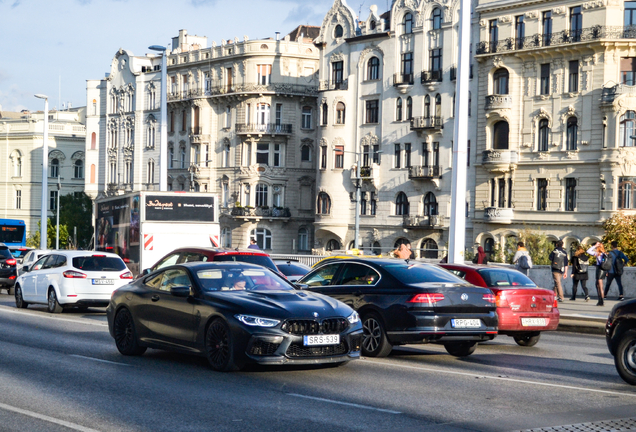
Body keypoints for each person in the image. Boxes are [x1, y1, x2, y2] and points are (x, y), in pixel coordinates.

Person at [586, 242, 608, 306]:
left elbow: (588, 251)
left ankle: (601, 301)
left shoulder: (598, 253)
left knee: (599, 286)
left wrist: (595, 246)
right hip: (604, 270)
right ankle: (601, 300)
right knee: (599, 285)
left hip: (599, 269)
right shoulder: (605, 254)